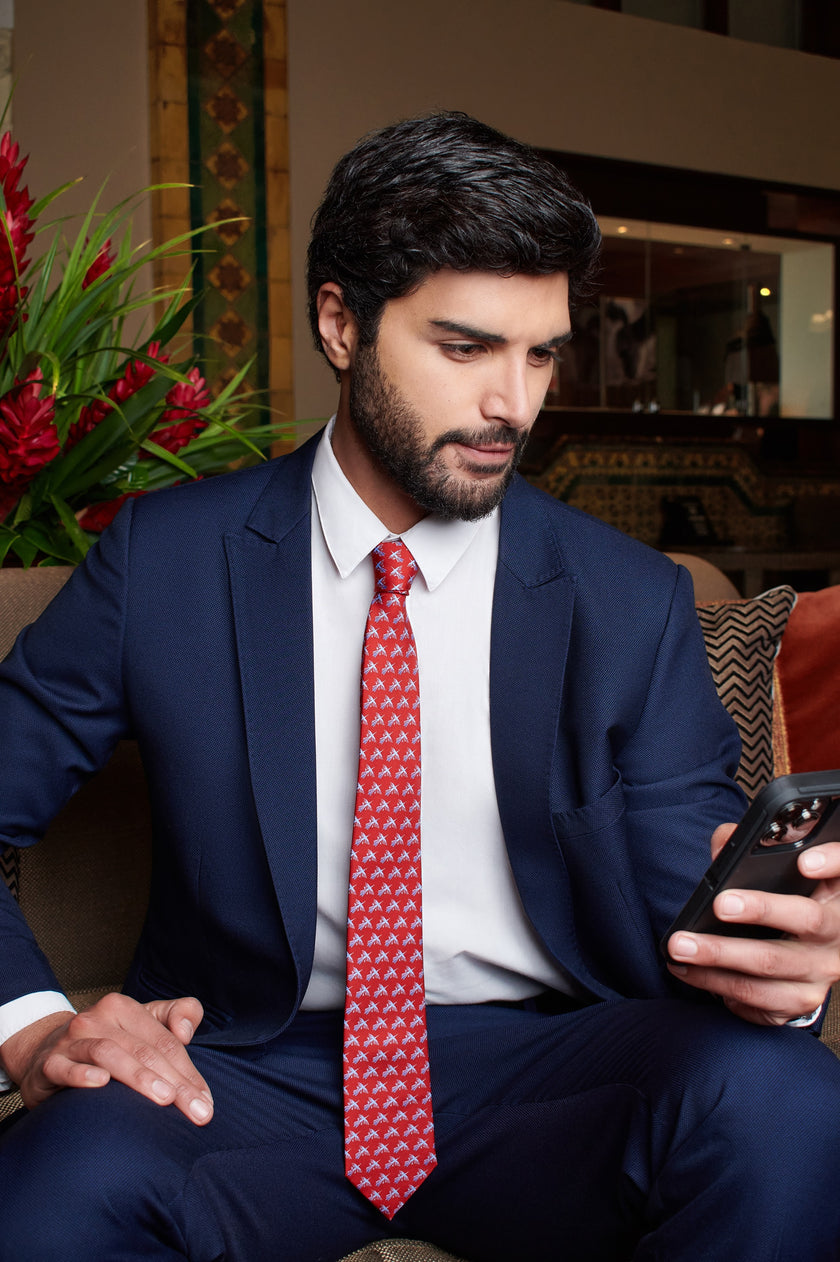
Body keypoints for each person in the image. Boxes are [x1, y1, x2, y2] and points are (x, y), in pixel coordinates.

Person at [0, 111, 840, 1261]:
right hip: (244, 1068)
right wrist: (34, 1028)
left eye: (540, 351)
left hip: (547, 1069)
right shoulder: (167, 563)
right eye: (465, 346)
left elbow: (680, 904)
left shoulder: (629, 600)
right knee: (55, 1180)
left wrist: (776, 970)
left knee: (785, 1094)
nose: (516, 404)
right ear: (342, 323)